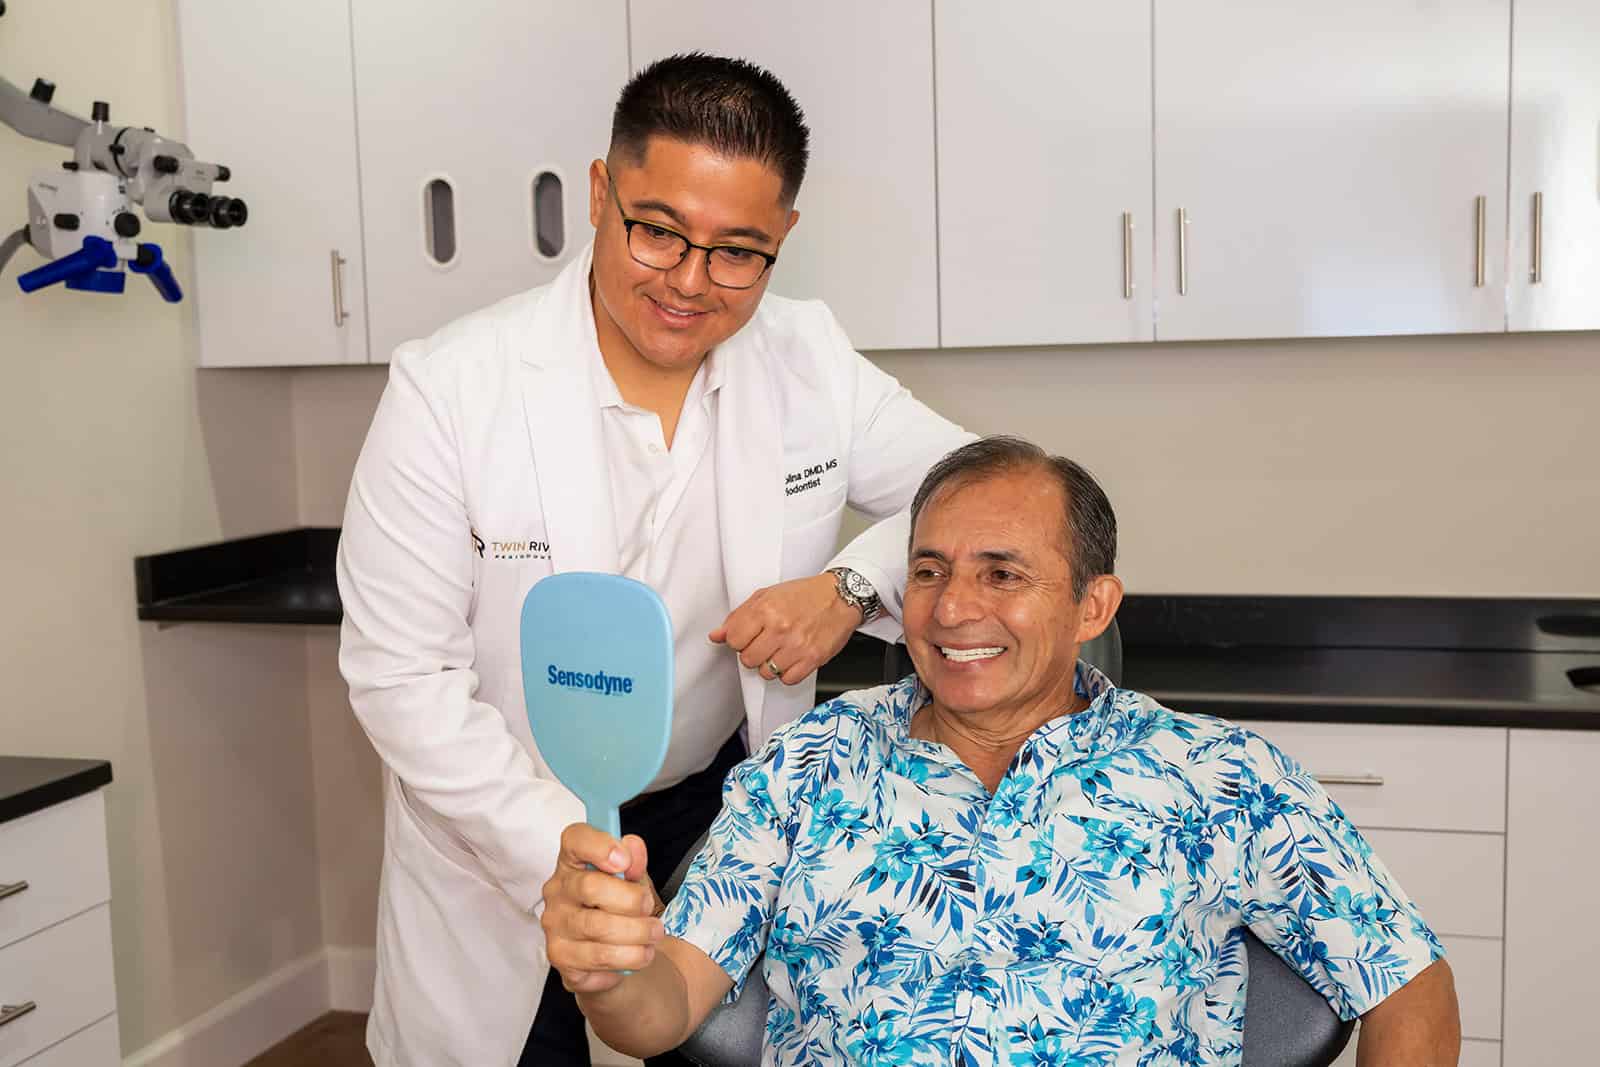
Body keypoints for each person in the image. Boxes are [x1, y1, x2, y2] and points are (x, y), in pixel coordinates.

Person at [335, 52, 971, 1066]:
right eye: (658, 230)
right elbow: (400, 675)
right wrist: (558, 848)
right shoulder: (450, 389)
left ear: (782, 237)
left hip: (709, 812)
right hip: (505, 820)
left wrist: (850, 588)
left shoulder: (806, 356)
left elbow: (982, 488)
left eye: (737, 252)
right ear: (601, 193)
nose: (687, 281)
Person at [542, 436, 1463, 1066]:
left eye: (1002, 573)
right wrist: (608, 972)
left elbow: (1408, 983)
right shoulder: (810, 761)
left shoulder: (1218, 775)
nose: (951, 608)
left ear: (1093, 606)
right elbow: (663, 1006)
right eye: (930, 571)